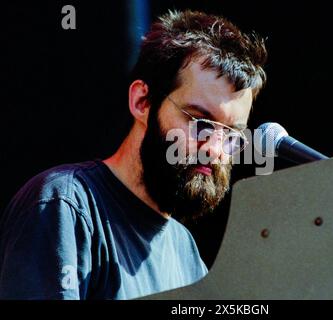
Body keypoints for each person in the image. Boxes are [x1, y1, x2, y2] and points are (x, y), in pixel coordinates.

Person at [0, 9, 267, 299]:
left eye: (230, 134)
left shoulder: (187, 255)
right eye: (199, 121)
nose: (214, 149)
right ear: (142, 101)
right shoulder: (65, 205)